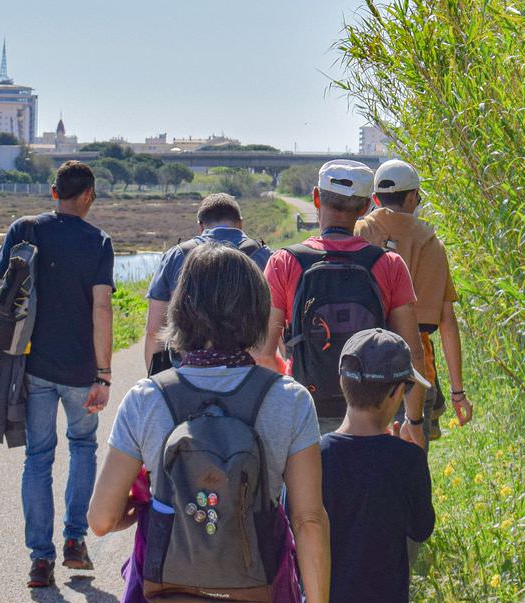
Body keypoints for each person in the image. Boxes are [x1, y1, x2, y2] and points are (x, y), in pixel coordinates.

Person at [90, 243, 330, 603]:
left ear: (181, 310)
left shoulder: (146, 398)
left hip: (164, 591)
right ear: (256, 311)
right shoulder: (288, 400)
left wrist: (148, 506)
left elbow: (101, 519)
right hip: (260, 588)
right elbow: (308, 519)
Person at [0, 160, 115, 589]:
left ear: (53, 192)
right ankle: (74, 542)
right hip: (81, 370)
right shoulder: (98, 241)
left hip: (32, 364)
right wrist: (104, 373)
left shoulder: (24, 229)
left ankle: (40, 562)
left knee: (38, 458)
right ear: (89, 196)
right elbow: (101, 308)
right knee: (83, 447)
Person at [264, 160, 428, 439]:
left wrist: (290, 384)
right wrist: (414, 420)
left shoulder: (284, 262)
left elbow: (264, 353)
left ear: (316, 198)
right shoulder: (389, 264)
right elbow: (413, 353)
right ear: (366, 207)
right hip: (370, 413)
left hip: (306, 407)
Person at [357, 159, 474, 439]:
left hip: (361, 367)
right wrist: (458, 393)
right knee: (411, 468)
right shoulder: (432, 244)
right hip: (416, 373)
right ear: (412, 197)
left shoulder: (357, 234)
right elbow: (446, 322)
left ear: (374, 199)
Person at [321, 329, 435, 603]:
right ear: (396, 393)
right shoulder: (407, 459)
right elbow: (421, 529)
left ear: (341, 382)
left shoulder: (315, 455)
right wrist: (414, 455)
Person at [142, 192, 274, 374]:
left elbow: (154, 330)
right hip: (247, 373)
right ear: (240, 223)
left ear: (200, 226)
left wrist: (155, 378)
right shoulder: (265, 256)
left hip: (186, 371)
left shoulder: (177, 255)